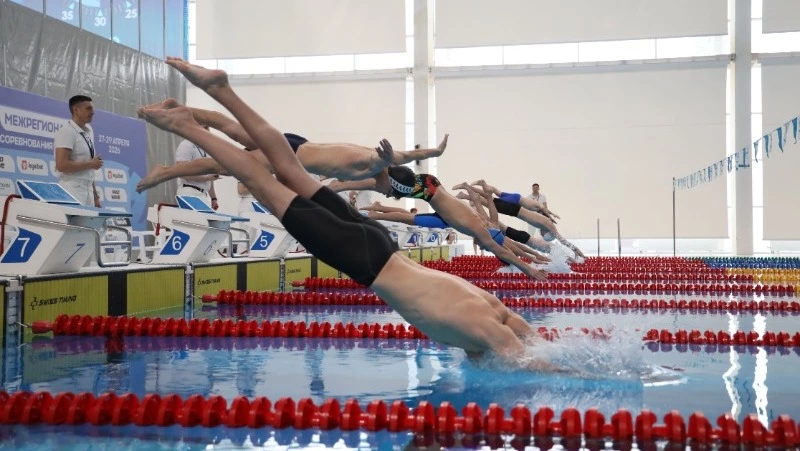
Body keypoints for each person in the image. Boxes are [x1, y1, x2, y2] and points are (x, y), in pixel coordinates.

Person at [139, 57, 554, 370]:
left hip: (382, 247)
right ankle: (187, 127)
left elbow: (516, 347)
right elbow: (532, 363)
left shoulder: (487, 307)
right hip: (367, 260)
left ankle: (221, 90)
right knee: (267, 182)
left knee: (283, 166)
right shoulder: (488, 323)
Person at [134, 100, 449, 192]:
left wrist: (435, 152)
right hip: (291, 154)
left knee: (230, 128)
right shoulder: (376, 166)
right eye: (391, 190)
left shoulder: (388, 162)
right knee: (224, 164)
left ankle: (175, 107)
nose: (387, 194)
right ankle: (165, 172)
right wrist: (386, 159)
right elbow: (384, 166)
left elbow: (408, 155)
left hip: (298, 144)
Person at [326, 170, 547, 281]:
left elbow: (507, 248)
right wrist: (529, 269)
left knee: (404, 214)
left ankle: (366, 205)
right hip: (431, 193)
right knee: (384, 186)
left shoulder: (481, 223)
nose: (480, 244)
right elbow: (503, 250)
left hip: (435, 193)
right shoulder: (483, 231)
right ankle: (342, 185)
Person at [53, 95, 104, 206]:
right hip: (72, 189)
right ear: (76, 110)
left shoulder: (89, 130)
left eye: (92, 109)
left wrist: (95, 197)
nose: (93, 112)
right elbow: (61, 165)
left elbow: (89, 172)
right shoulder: (67, 131)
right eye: (88, 108)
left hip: (88, 190)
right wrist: (90, 164)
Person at [175, 134, 219, 210]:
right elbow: (182, 173)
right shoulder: (186, 145)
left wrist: (213, 198)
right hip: (189, 191)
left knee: (206, 220)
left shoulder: (206, 150)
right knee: (193, 220)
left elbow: (210, 178)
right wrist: (207, 178)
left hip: (203, 194)